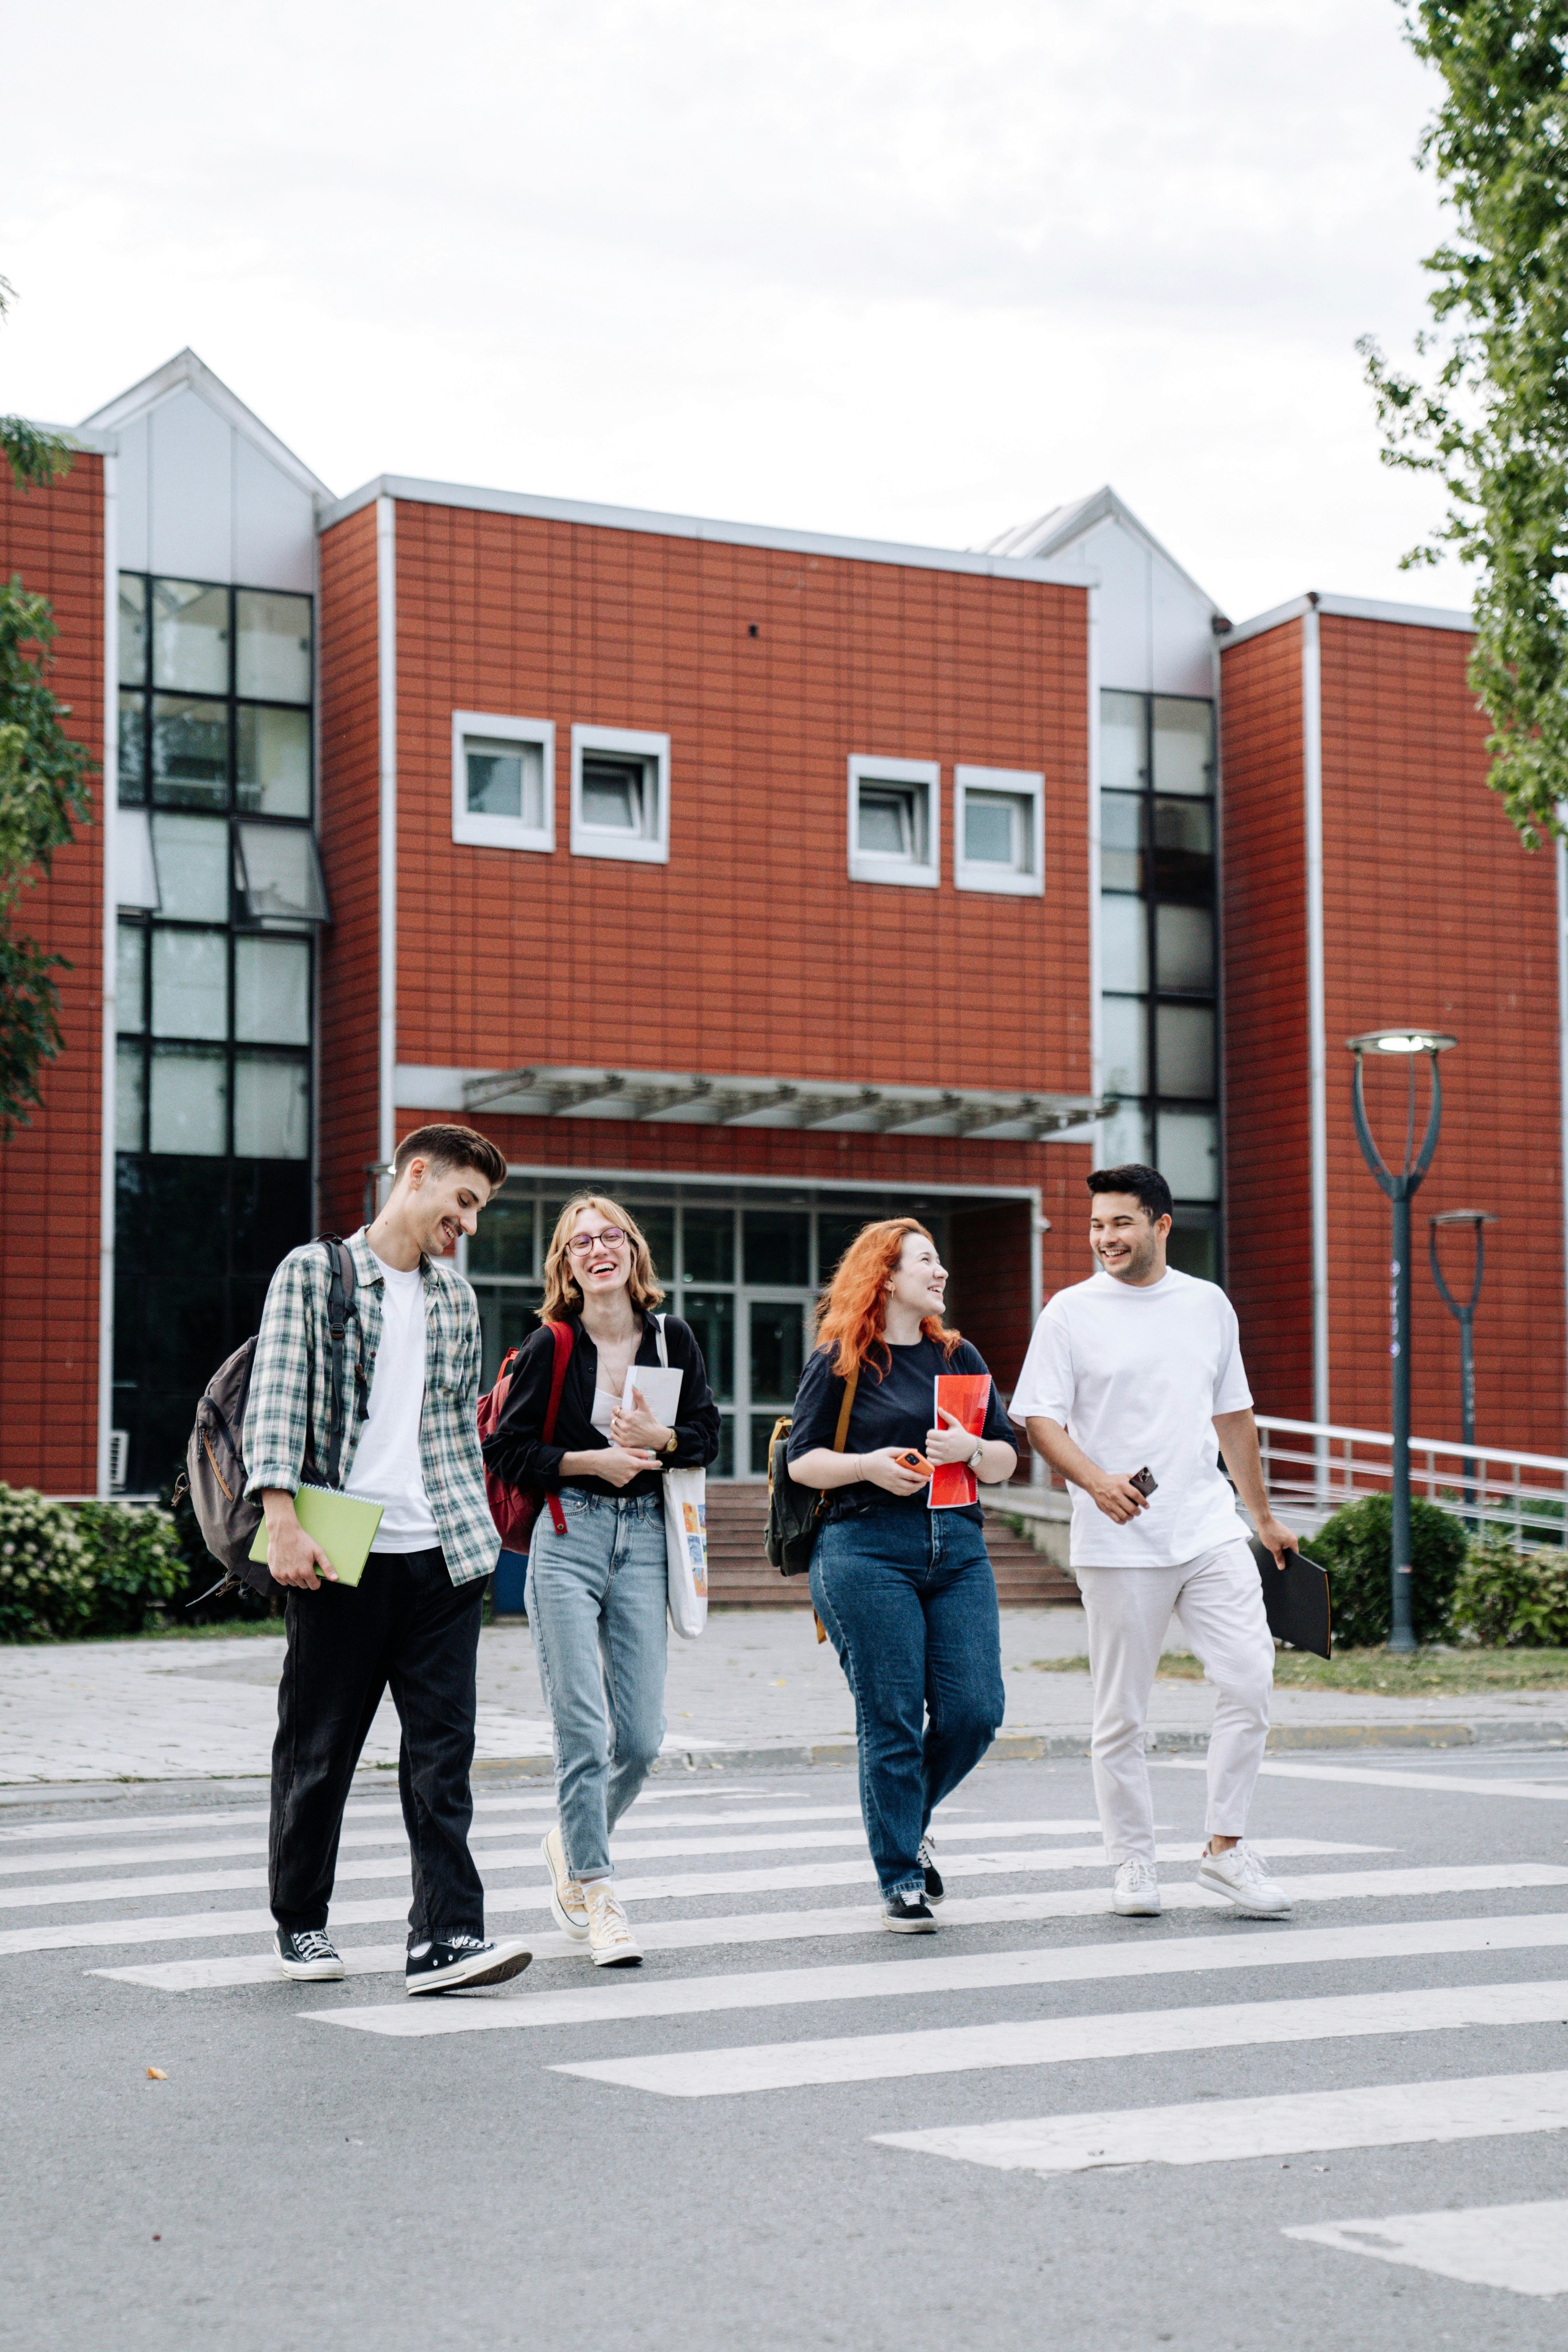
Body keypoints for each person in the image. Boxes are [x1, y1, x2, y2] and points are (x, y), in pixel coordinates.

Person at [245, 1122, 536, 1993]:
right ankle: (300, 1920)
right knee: (320, 1749)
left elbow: (455, 1430)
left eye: (478, 1211)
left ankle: (444, 1936)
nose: (469, 1225)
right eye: (463, 1202)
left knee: (443, 1755)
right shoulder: (314, 1273)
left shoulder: (455, 1300)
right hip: (341, 1551)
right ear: (416, 1176)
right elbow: (276, 1401)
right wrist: (281, 1519)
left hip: (441, 1555)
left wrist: (477, 1543)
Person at [1010, 1162, 1300, 1921]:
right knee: (1121, 1713)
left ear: (1160, 1225)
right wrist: (1094, 1481)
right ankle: (1132, 1861)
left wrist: (1261, 1516)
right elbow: (1038, 1418)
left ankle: (1225, 1850)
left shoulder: (1206, 1304)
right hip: (1116, 1540)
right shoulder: (1069, 1313)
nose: (1104, 1237)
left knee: (1248, 1680)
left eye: (1120, 1223)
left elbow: (1232, 1416)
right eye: (1096, 1225)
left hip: (1206, 1528)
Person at [483, 1197, 720, 1967]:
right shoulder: (551, 1344)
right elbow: (507, 1450)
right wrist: (594, 1461)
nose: (597, 1249)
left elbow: (707, 1434)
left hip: (646, 1539)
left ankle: (569, 1838)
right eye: (580, 1242)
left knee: (642, 1738)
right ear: (566, 1264)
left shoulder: (672, 1337)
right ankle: (597, 1889)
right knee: (582, 1730)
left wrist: (662, 1438)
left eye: (609, 1235)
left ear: (632, 1251)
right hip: (566, 1535)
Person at [787, 1219, 1016, 1932]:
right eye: (925, 1260)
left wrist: (970, 1447)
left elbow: (1006, 1460)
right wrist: (867, 1467)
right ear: (885, 1276)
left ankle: (904, 1817)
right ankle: (901, 1876)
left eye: (940, 1260)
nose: (940, 1271)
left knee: (976, 1710)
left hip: (957, 1546)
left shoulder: (958, 1354)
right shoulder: (842, 1359)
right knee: (890, 1715)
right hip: (865, 1549)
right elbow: (802, 1460)